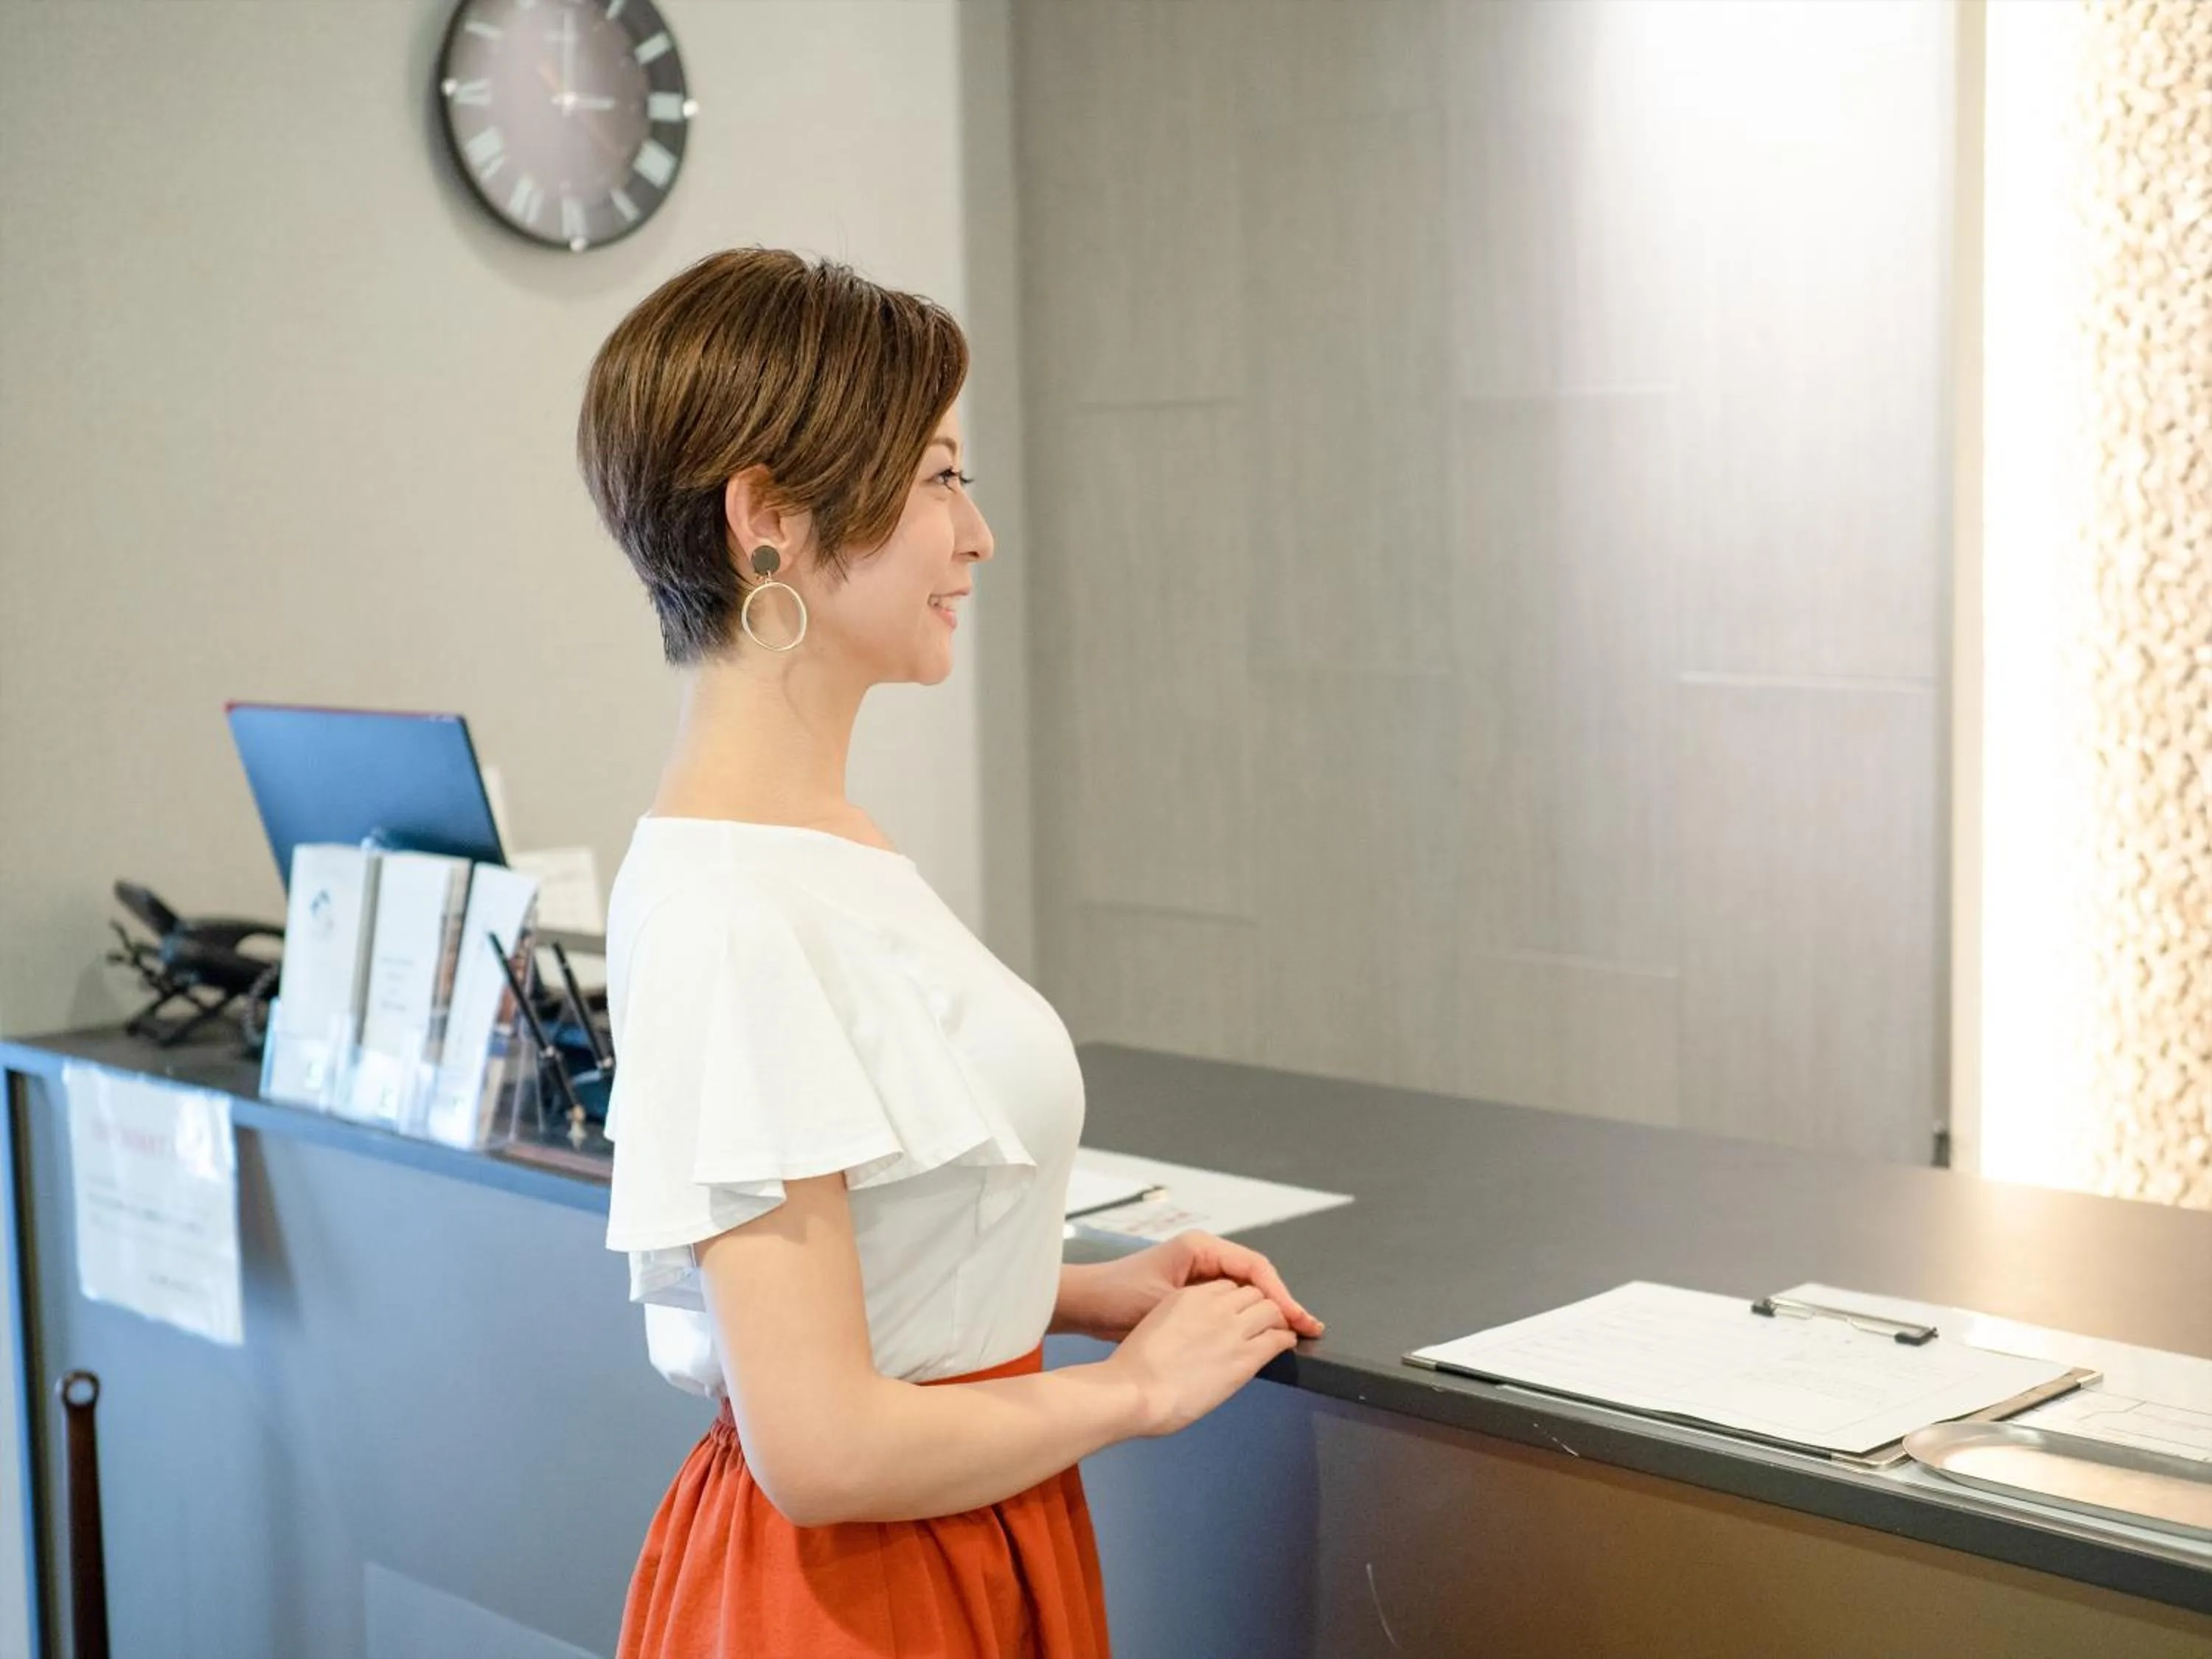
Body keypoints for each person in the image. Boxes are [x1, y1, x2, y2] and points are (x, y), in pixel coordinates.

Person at [576, 247, 1325, 1659]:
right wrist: (1136, 1390)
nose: (975, 535)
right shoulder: (740, 898)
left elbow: (835, 1250)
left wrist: (1089, 1289)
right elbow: (823, 1445)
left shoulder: (798, 845)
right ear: (769, 522)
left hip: (938, 1547)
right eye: (937, 478)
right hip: (860, 1592)